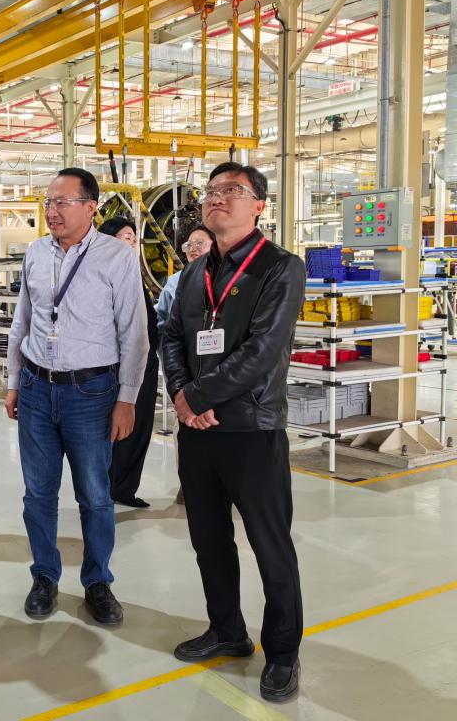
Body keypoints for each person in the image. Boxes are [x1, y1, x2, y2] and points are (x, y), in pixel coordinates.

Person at [162, 162, 305, 703]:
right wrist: (182, 393)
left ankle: (283, 652)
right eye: (211, 191)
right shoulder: (195, 273)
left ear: (259, 205)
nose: (216, 198)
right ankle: (227, 630)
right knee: (208, 539)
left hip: (251, 427)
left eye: (232, 190)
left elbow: (264, 349)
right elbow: (171, 336)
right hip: (198, 430)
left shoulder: (280, 268)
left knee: (270, 545)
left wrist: (198, 397)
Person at [4, 167, 148, 626]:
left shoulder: (117, 256)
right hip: (36, 388)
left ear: (90, 207)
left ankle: (97, 580)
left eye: (62, 202)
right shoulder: (35, 253)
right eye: (48, 202)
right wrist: (13, 380)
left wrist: (127, 398)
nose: (52, 211)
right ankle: (44, 576)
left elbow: (134, 332)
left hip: (91, 392)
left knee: (95, 494)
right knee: (38, 493)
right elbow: (23, 321)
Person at [96, 217, 159, 509]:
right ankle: (104, 488)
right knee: (113, 430)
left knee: (139, 428)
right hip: (115, 366)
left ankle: (125, 489)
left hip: (144, 363)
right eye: (124, 237)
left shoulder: (135, 274)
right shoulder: (103, 275)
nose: (131, 243)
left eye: (133, 238)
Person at [156, 223, 216, 506]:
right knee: (187, 426)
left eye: (200, 243)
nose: (193, 249)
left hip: (218, 369)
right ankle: (189, 485)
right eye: (189, 245)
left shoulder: (228, 279)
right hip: (186, 368)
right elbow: (163, 327)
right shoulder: (175, 282)